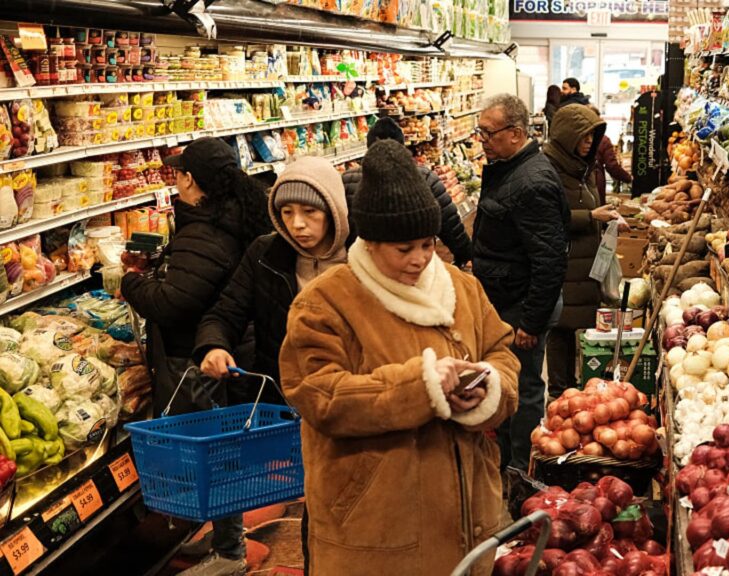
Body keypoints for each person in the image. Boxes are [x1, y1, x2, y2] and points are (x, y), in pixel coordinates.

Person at [279, 140, 520, 576]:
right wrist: (420, 386)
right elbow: (319, 395)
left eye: (427, 244)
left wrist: (489, 386)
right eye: (404, 249)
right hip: (376, 520)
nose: (420, 259)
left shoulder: (462, 288)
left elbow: (500, 352)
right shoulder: (325, 303)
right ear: (370, 242)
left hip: (468, 513)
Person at [120, 137, 272, 576]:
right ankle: (226, 535)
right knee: (224, 450)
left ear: (191, 180)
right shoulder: (234, 215)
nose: (175, 181)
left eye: (178, 173)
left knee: (217, 455)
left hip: (201, 360)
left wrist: (130, 282)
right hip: (226, 352)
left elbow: (173, 303)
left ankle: (229, 553)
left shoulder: (206, 232)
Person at [190, 155, 348, 575]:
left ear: (334, 210)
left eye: (310, 212)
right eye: (287, 212)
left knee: (335, 505)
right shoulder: (265, 254)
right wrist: (213, 346)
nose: (297, 224)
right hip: (282, 398)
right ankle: (236, 552)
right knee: (300, 490)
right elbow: (224, 312)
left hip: (346, 402)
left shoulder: (362, 259)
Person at [472, 94, 568, 471]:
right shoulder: (510, 169)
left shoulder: (532, 181)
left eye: (488, 132)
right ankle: (507, 458)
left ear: (515, 133)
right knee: (507, 380)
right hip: (507, 297)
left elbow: (549, 259)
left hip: (521, 304)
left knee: (524, 387)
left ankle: (521, 470)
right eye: (480, 132)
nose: (482, 139)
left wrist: (531, 321)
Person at [543, 104, 621, 399]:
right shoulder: (549, 169)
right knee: (559, 326)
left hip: (584, 261)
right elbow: (548, 217)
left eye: (593, 136)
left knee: (573, 326)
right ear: (567, 135)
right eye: (584, 136)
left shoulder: (581, 166)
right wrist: (591, 217)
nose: (590, 142)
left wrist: (607, 218)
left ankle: (573, 385)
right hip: (564, 261)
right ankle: (558, 392)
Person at [342, 117, 473, 267]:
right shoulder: (425, 177)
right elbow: (449, 222)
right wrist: (464, 253)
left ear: (368, 146)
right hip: (411, 265)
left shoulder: (347, 179)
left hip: (362, 264)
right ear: (402, 146)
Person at [589, 107, 633, 205]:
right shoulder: (603, 140)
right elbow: (612, 166)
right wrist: (628, 178)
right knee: (598, 209)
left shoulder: (575, 139)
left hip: (577, 184)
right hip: (596, 182)